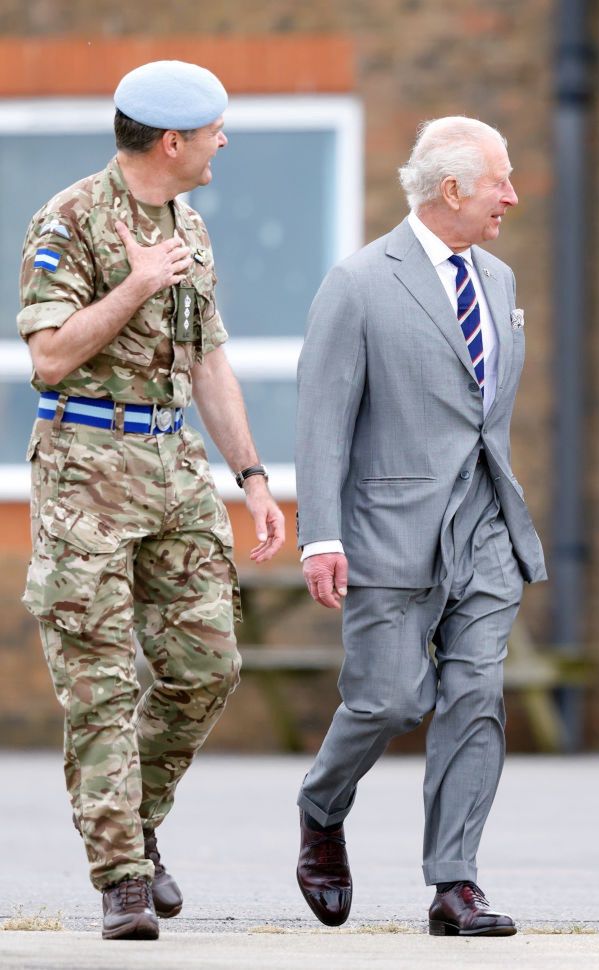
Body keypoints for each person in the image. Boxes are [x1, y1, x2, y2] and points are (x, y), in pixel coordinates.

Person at [18, 60, 285, 941]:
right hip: (83, 473)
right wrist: (134, 285)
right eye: (214, 130)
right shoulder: (69, 219)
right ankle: (122, 878)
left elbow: (209, 361)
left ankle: (135, 823)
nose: (223, 143)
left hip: (172, 469)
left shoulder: (190, 225)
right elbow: (50, 357)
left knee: (207, 668)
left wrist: (251, 477)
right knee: (96, 688)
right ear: (174, 141)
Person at [293, 116, 545, 937]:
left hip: (486, 530)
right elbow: (323, 420)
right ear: (452, 190)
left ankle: (455, 883)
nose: (511, 195)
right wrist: (321, 535)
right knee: (390, 700)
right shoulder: (361, 282)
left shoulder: (501, 282)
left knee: (475, 696)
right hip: (391, 529)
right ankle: (322, 808)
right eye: (499, 182)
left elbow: (483, 419)